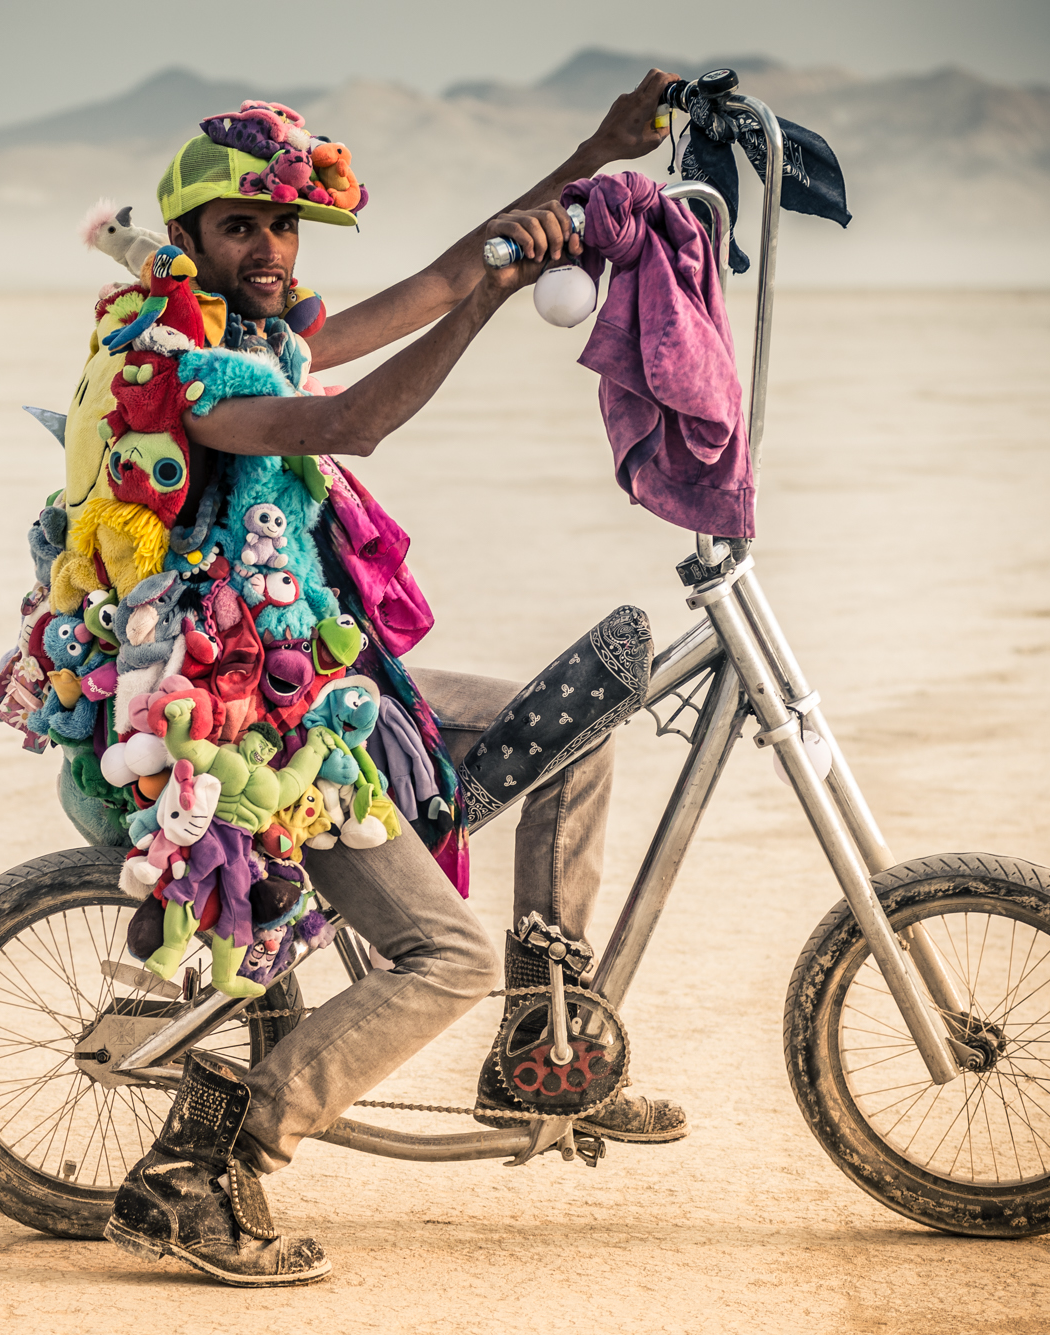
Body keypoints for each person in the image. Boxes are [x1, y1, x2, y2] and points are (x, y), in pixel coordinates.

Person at [101, 69, 687, 1287]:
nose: (268, 248)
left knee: (574, 724)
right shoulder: (190, 380)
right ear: (190, 245)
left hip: (329, 678)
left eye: (281, 227)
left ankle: (548, 1034)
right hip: (251, 729)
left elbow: (438, 275)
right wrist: (491, 305)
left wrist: (593, 151)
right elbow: (354, 421)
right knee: (446, 959)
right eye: (238, 229)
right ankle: (207, 1165)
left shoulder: (263, 339)